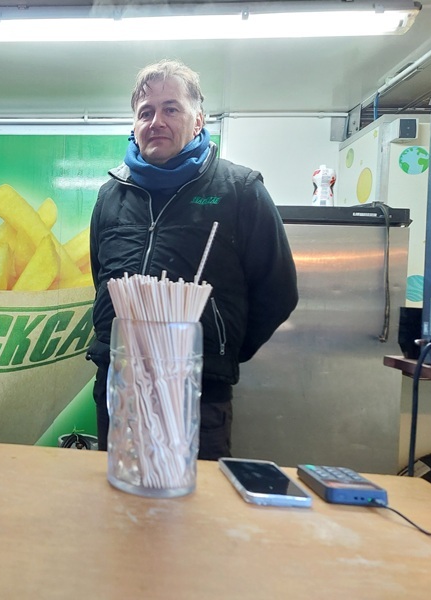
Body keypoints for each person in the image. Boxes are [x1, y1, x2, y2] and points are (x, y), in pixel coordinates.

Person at [87, 59, 298, 460]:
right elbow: (103, 280)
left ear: (198, 120)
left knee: (193, 496)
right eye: (145, 112)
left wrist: (217, 351)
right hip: (119, 384)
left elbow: (278, 291)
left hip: (196, 391)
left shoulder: (241, 190)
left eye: (171, 109)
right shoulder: (111, 196)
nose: (156, 122)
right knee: (113, 493)